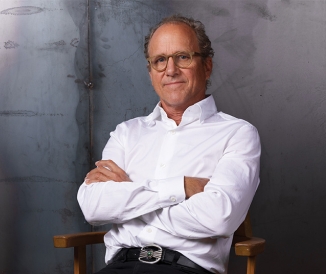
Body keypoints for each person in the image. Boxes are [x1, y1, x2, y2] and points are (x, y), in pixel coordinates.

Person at [77, 14, 261, 274]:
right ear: (151, 72)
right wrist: (181, 187)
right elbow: (93, 205)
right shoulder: (126, 133)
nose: (170, 70)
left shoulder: (237, 134)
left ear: (207, 66)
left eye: (182, 57)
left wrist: (128, 197)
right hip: (119, 267)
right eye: (160, 60)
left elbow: (219, 217)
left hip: (185, 269)